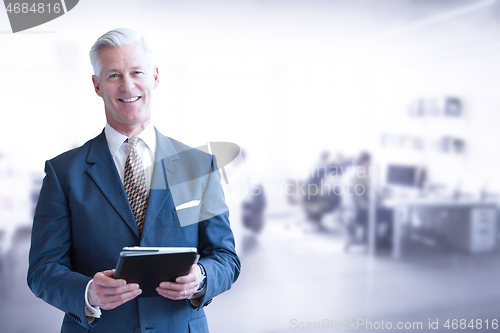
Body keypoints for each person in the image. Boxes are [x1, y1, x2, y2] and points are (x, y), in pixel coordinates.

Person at [27, 28, 240, 333]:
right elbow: (42, 270)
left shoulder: (199, 166)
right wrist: (88, 293)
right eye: (113, 75)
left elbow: (225, 258)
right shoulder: (63, 172)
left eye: (136, 72)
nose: (128, 85)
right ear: (97, 85)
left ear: (155, 76)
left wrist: (201, 277)